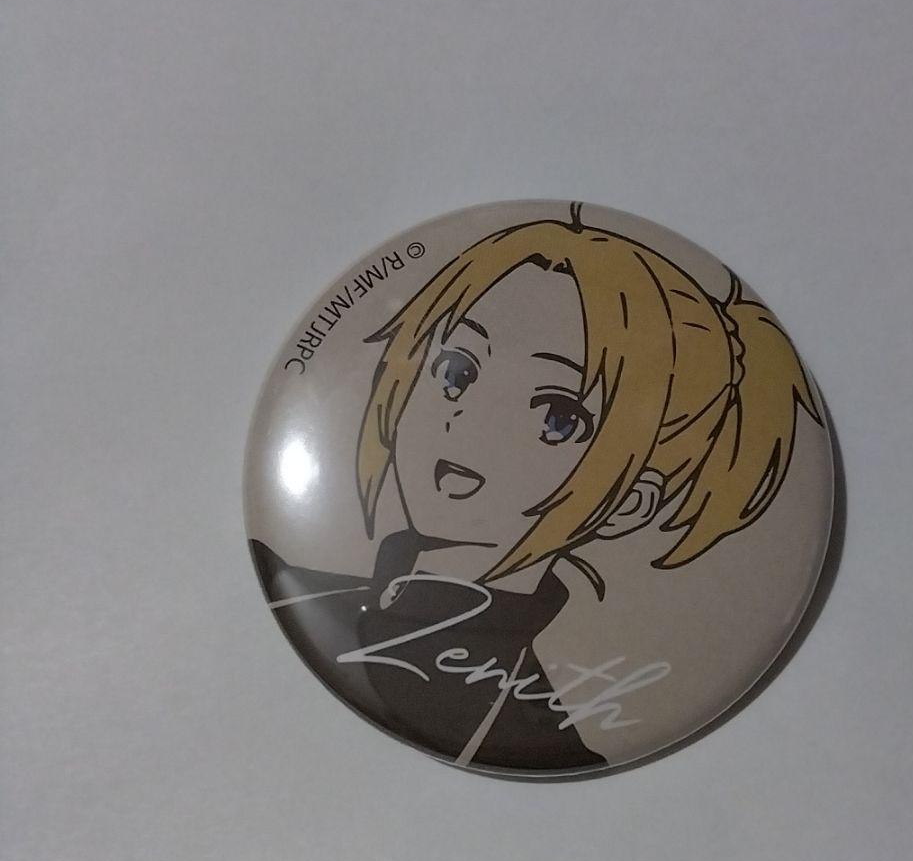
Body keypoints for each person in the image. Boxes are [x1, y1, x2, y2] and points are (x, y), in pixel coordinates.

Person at [251, 205, 821, 771]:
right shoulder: (291, 586)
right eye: (456, 371)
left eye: (558, 417)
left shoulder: (527, 733)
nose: (469, 422)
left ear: (628, 504)